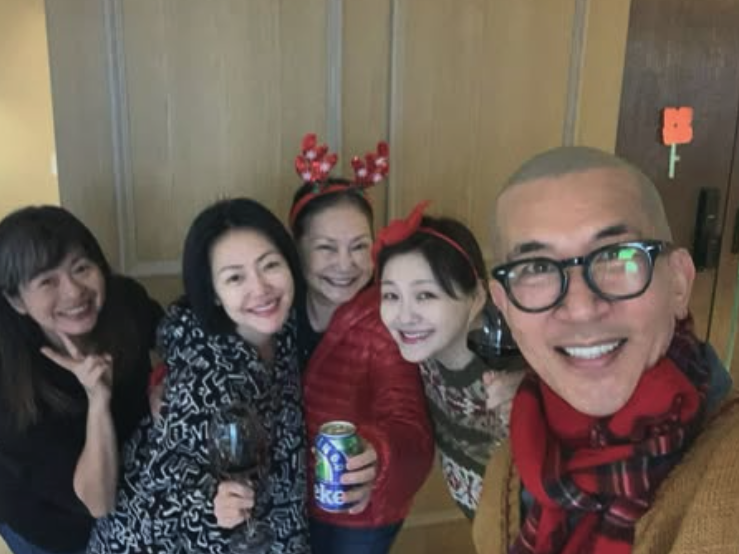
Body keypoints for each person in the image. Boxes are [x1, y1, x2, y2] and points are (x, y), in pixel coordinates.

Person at [473, 146, 739, 554]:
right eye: (538, 268)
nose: (582, 308)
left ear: (678, 284)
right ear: (505, 307)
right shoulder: (506, 472)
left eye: (616, 256)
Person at [88, 198, 309, 553]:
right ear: (215, 294)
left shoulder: (283, 330)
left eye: (270, 265)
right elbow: (164, 491)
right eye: (235, 277)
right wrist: (211, 506)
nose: (260, 288)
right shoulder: (205, 378)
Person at [289, 134, 434, 554]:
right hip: (292, 495)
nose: (345, 264)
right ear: (296, 249)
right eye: (326, 248)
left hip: (360, 511)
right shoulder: (278, 307)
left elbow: (410, 424)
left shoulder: (385, 320)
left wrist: (378, 455)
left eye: (359, 246)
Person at [0, 206, 162, 554]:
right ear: (16, 300)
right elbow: (98, 503)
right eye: (47, 281)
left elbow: (174, 336)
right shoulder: (9, 383)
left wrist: (164, 378)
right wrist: (98, 401)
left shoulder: (125, 302)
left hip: (131, 492)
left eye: (81, 268)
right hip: (52, 526)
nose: (74, 292)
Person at [374, 202, 523, 520]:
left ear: (477, 296)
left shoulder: (513, 375)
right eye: (391, 295)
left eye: (425, 295)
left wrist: (536, 396)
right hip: (483, 525)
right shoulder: (421, 353)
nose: (404, 316)